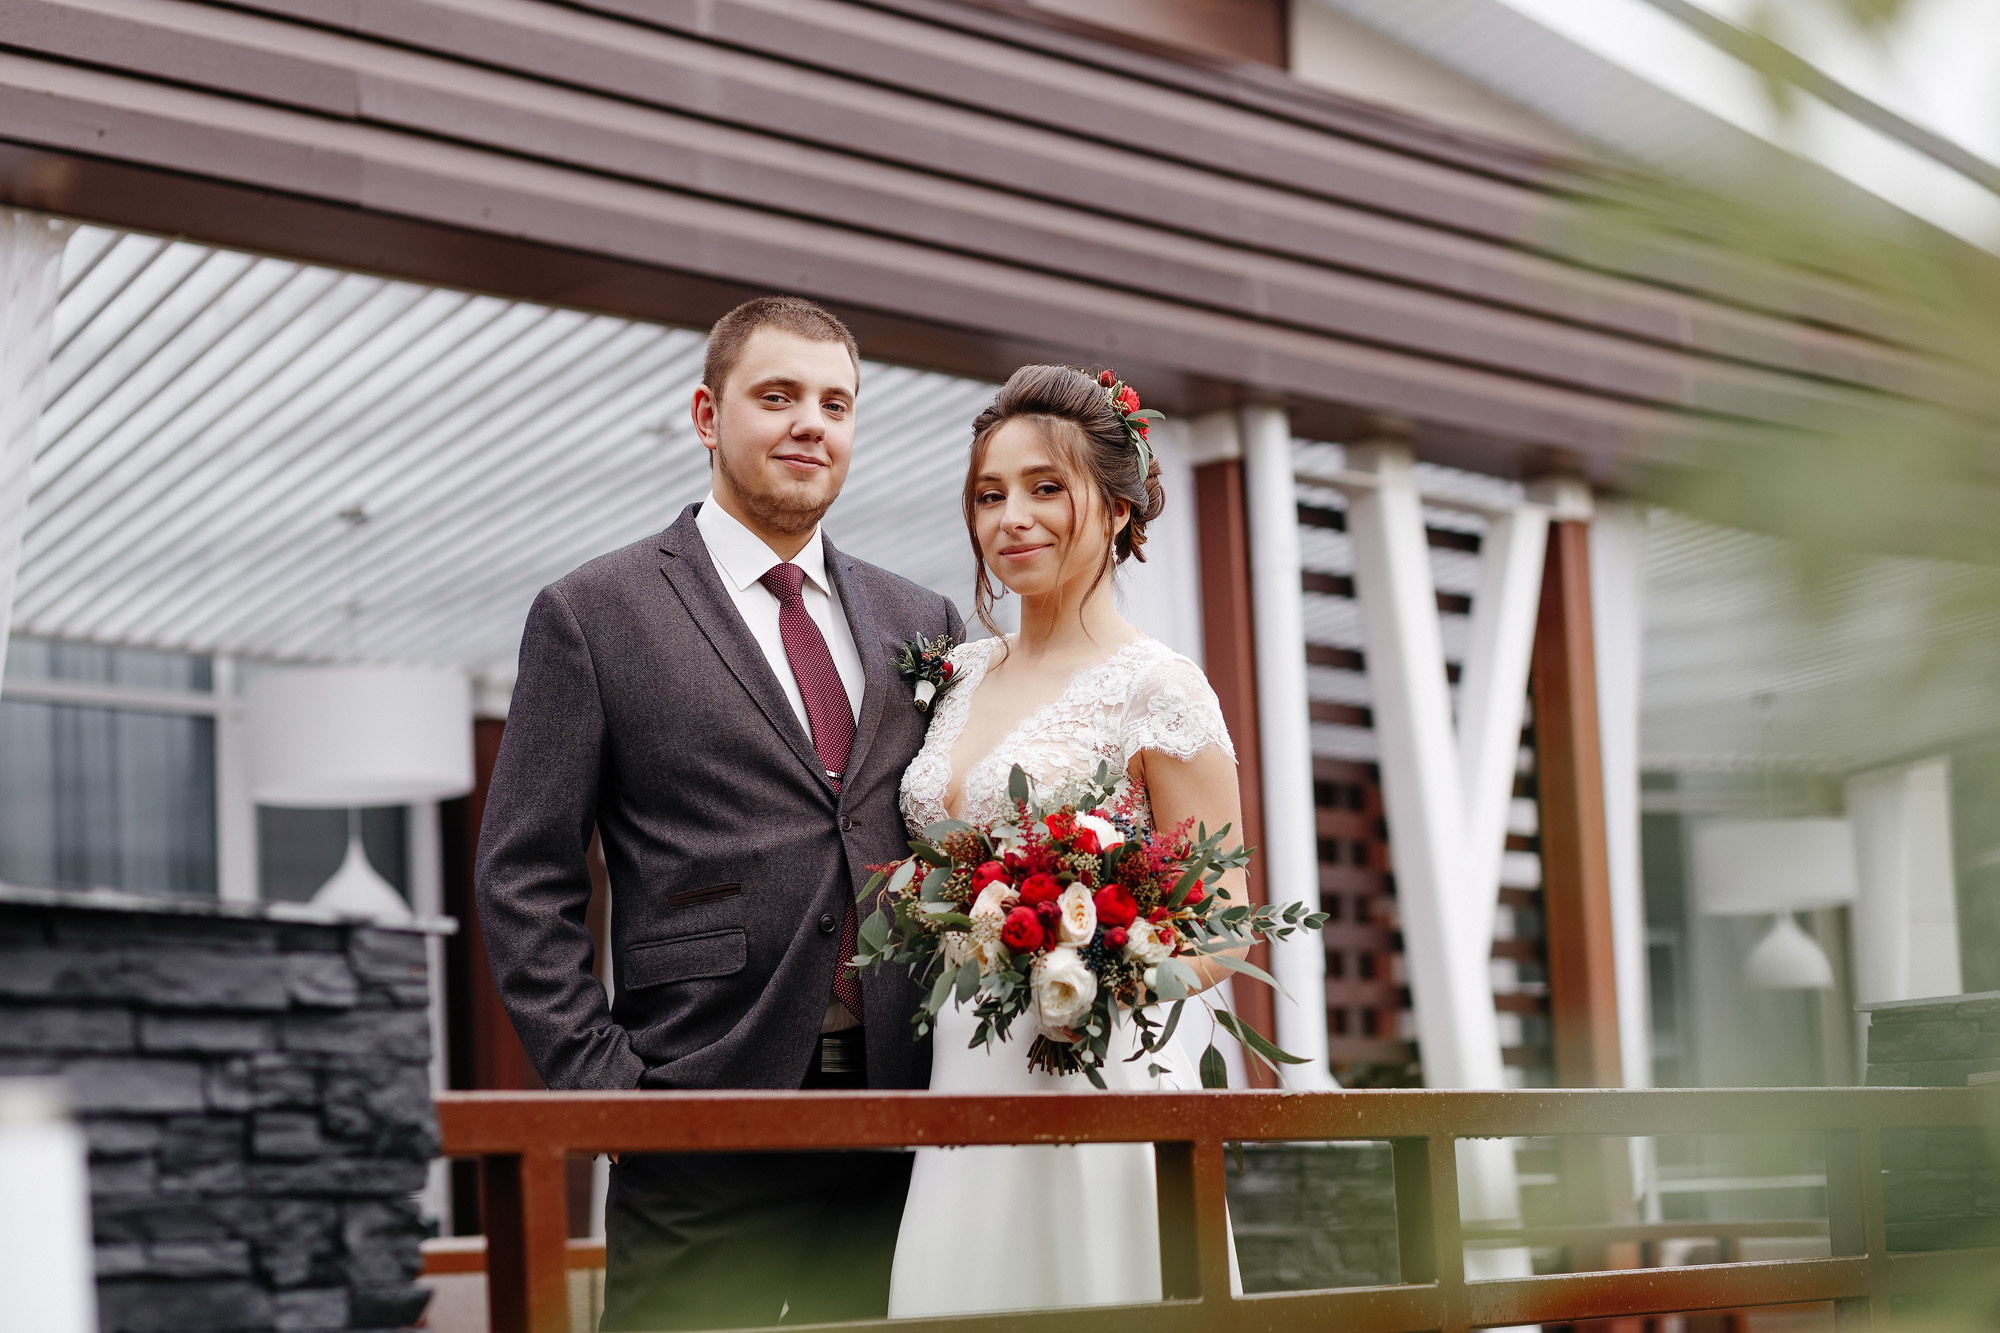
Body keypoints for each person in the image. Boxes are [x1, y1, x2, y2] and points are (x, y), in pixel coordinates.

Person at [475, 295, 960, 1330]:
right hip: (698, 1104)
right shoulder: (593, 614)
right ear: (707, 414)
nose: (809, 424)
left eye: (835, 403)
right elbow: (523, 878)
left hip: (897, 1113)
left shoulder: (922, 621)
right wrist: (613, 1091)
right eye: (776, 396)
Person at [888, 364, 1245, 1318]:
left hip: (1099, 1060)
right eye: (989, 494)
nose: (1013, 517)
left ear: (1122, 510)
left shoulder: (1159, 687)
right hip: (962, 1054)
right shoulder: (954, 672)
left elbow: (1227, 928)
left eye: (1047, 488)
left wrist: (1102, 960)